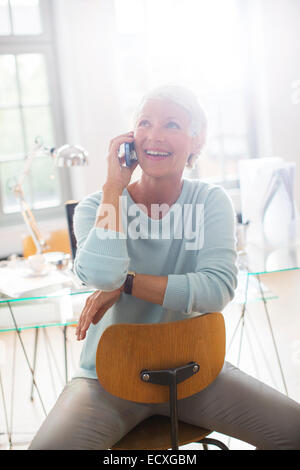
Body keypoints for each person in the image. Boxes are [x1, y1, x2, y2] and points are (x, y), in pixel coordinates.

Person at [29, 85, 300, 450]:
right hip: (107, 380)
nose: (155, 135)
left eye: (171, 124)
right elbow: (101, 275)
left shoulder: (210, 202)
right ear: (131, 137)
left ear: (196, 139)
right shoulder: (95, 207)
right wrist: (114, 185)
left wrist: (127, 282)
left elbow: (216, 290)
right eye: (145, 123)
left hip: (194, 373)